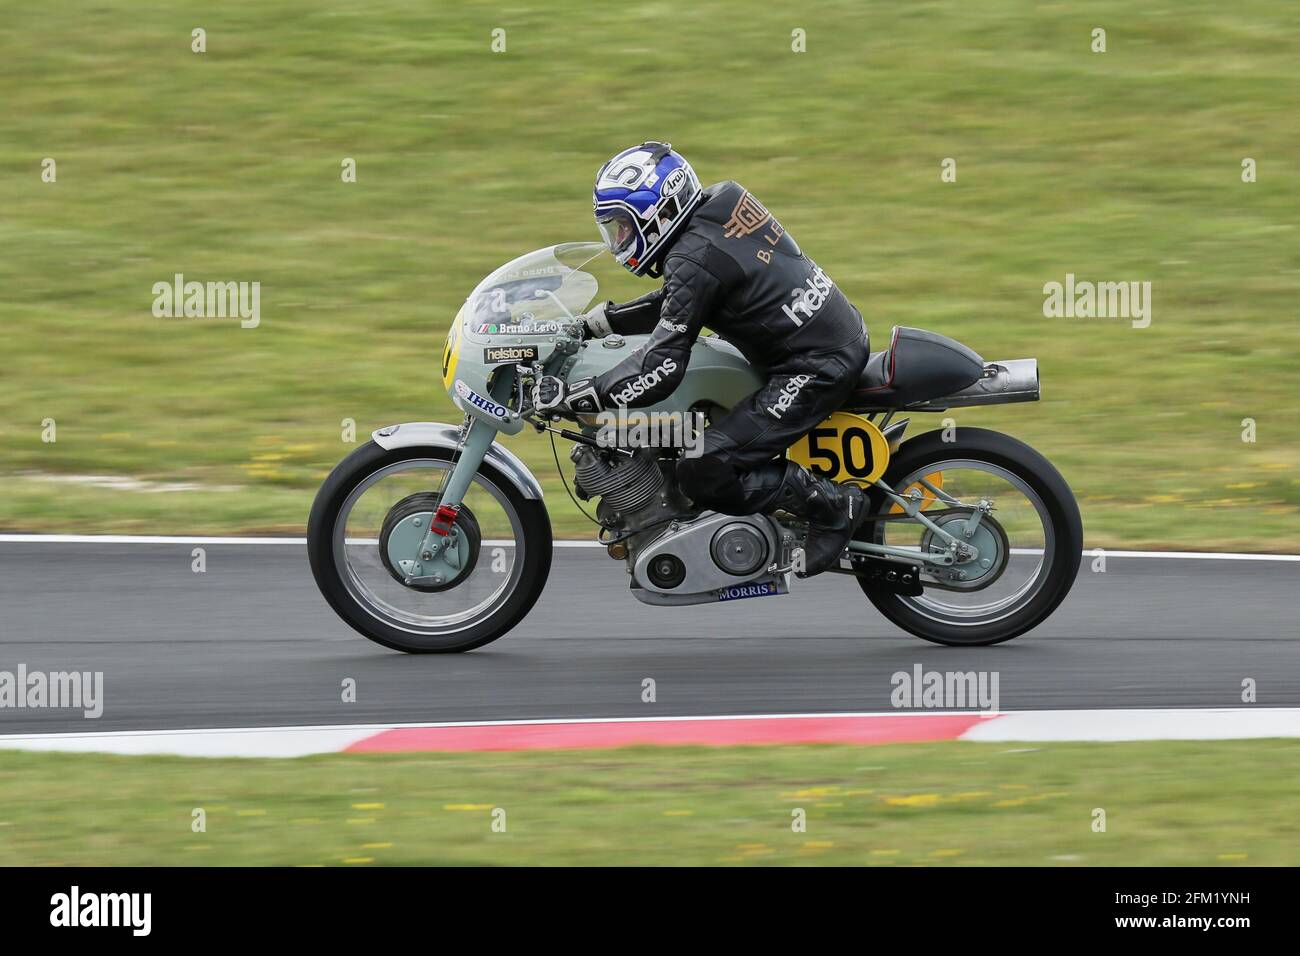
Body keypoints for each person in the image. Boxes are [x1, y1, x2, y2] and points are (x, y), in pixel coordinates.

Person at [532, 142, 870, 577]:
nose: (618, 241)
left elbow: (661, 367)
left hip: (813, 365)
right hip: (826, 337)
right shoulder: (720, 203)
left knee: (703, 467)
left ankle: (833, 507)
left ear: (659, 213)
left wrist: (585, 395)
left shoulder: (692, 257)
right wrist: (604, 322)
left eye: (621, 227)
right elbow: (688, 297)